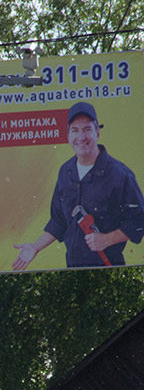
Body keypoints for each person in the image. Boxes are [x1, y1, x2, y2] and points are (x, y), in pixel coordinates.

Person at [13, 102, 144, 270]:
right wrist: (35, 246)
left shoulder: (119, 174)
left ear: (97, 132)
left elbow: (139, 220)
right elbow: (59, 220)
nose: (81, 137)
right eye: (75, 130)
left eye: (87, 129)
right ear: (68, 135)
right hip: (73, 269)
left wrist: (106, 239)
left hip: (108, 270)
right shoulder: (66, 171)